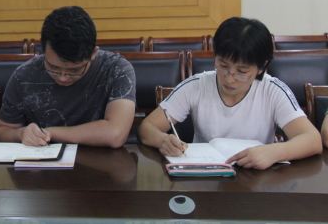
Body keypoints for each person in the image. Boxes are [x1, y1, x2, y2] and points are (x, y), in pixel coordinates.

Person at [138, 17, 322, 170]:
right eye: (223, 66)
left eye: (242, 72)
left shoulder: (272, 90)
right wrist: (163, 140)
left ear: (261, 67)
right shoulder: (196, 86)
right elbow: (147, 127)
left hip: (256, 178)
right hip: (206, 176)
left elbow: (313, 140)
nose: (229, 79)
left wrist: (274, 151)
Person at [0, 6, 136, 148]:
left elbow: (115, 134)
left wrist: (48, 133)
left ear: (93, 53)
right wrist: (21, 134)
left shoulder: (116, 69)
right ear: (43, 51)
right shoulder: (24, 75)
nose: (63, 78)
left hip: (100, 161)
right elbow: (0, 131)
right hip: (42, 161)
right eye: (53, 68)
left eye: (74, 70)